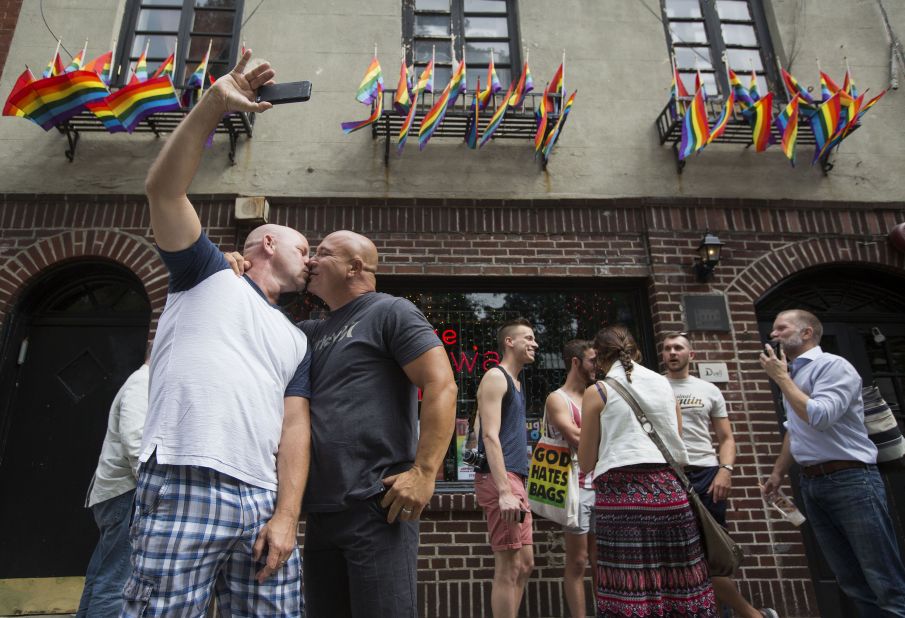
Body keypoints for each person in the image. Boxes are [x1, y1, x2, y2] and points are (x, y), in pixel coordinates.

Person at [126, 51, 313, 617]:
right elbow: (163, 192)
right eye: (304, 248)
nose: (311, 260)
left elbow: (295, 427)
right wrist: (213, 104)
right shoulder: (204, 273)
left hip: (261, 498)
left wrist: (286, 515)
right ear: (267, 244)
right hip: (185, 474)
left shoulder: (297, 338)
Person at [297, 231, 458, 617]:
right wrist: (238, 277)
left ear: (355, 267)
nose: (310, 261)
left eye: (323, 253)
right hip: (321, 513)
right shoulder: (312, 332)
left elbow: (442, 384)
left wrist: (424, 472)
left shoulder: (390, 311)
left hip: (377, 507)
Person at [760, 310, 905, 616]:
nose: (774, 335)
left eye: (781, 328)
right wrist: (778, 472)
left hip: (852, 480)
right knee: (850, 579)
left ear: (807, 332)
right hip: (813, 484)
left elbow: (820, 416)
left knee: (883, 578)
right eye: (773, 330)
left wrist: (782, 379)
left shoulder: (833, 366)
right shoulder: (794, 375)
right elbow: (796, 427)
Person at [578, 325, 716, 618]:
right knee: (681, 581)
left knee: (629, 587)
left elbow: (587, 461)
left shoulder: (597, 391)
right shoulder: (664, 384)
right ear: (636, 352)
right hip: (669, 493)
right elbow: (676, 438)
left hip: (621, 498)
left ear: (600, 358)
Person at [663, 333, 778, 618]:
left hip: (706, 474)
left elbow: (726, 438)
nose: (672, 353)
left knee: (711, 552)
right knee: (676, 554)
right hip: (668, 474)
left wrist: (725, 471)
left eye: (678, 348)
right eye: (667, 349)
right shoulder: (654, 386)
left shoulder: (709, 390)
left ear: (692, 355)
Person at [77, 353, 150, 617]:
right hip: (125, 494)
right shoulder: (144, 382)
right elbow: (135, 440)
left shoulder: (141, 381)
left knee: (100, 576)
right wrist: (153, 489)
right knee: (116, 583)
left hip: (117, 493)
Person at [474, 318, 538, 618]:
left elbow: (477, 428)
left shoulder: (515, 382)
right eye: (528, 337)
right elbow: (488, 435)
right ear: (509, 342)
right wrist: (503, 490)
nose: (535, 343)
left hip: (515, 478)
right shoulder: (496, 377)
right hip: (502, 479)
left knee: (525, 564)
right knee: (509, 567)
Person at [544, 339, 597, 618]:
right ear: (576, 362)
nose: (597, 366)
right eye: (592, 360)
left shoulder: (595, 394)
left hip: (602, 485)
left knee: (602, 563)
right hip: (576, 489)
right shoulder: (558, 398)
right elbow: (576, 438)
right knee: (578, 561)